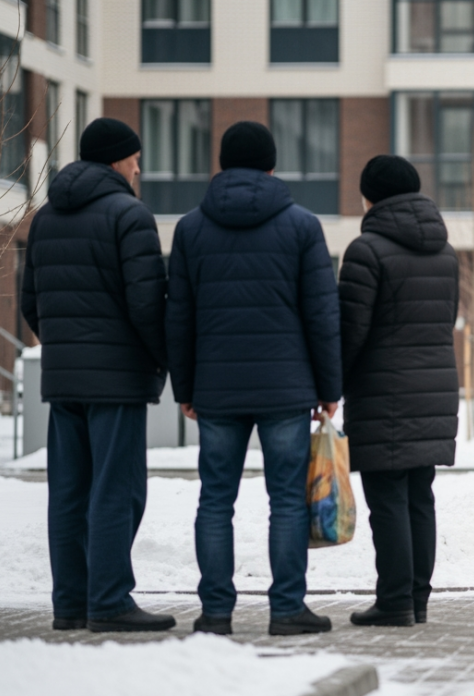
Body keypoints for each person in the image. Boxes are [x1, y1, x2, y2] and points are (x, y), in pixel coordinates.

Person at [166, 121, 342, 636]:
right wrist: (329, 388)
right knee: (286, 499)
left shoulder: (190, 229)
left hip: (216, 388)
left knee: (214, 500)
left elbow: (178, 315)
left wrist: (185, 388)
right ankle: (286, 609)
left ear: (221, 163)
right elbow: (322, 314)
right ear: (272, 165)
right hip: (286, 387)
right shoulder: (302, 225)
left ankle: (216, 613)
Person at [20, 118, 174, 632]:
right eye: (134, 159)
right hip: (117, 380)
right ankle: (109, 602)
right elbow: (147, 304)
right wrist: (162, 359)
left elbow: (31, 302)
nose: (138, 168)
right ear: (115, 160)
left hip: (65, 380)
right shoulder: (129, 215)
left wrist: (64, 346)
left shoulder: (45, 217)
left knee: (68, 492)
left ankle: (71, 604)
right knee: (117, 489)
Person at [338, 155, 458, 627]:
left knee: (387, 500)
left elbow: (350, 331)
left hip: (381, 395)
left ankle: (393, 602)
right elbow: (444, 322)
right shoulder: (446, 253)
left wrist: (331, 384)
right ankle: (417, 600)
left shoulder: (366, 250)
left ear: (369, 197)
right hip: (433, 392)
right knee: (419, 497)